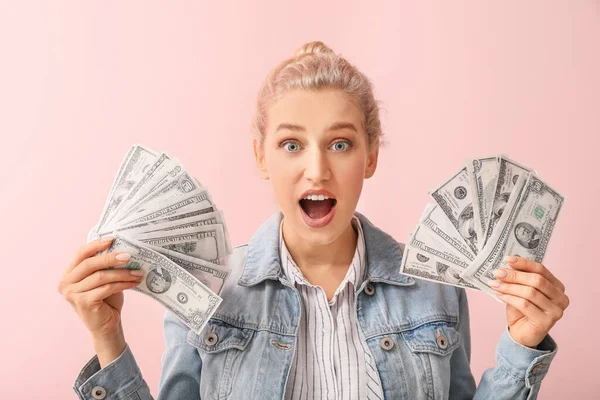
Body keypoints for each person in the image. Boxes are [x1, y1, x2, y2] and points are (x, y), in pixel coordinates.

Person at [58, 41, 569, 400]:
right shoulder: (207, 288)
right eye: (291, 144)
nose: (317, 169)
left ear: (370, 157)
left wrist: (521, 348)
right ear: (262, 157)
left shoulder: (434, 290)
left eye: (341, 144)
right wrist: (108, 341)